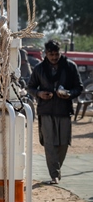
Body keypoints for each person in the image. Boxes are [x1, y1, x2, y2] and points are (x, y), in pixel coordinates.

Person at [27, 39, 83, 184]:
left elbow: (79, 87)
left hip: (64, 110)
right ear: (46, 54)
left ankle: (56, 169)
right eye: (51, 55)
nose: (54, 57)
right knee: (49, 143)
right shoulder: (39, 68)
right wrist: (39, 94)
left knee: (63, 143)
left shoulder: (70, 67)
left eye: (56, 54)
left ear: (60, 52)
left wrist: (69, 94)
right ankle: (54, 175)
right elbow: (30, 87)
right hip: (45, 110)